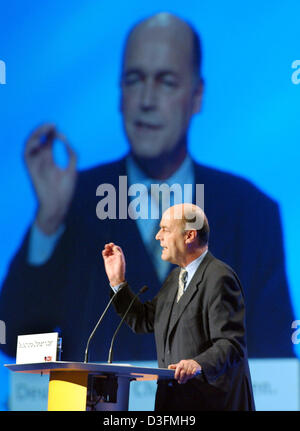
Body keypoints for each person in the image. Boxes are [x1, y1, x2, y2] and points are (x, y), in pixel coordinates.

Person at [0, 12, 294, 362]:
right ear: (120, 94)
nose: (146, 100)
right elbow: (15, 340)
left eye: (166, 81)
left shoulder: (252, 213)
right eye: (134, 80)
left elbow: (275, 364)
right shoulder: (73, 199)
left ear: (197, 96)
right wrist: (48, 222)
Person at [102, 204, 255, 411]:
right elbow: (144, 320)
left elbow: (231, 343)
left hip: (212, 403)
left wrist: (198, 364)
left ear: (189, 235)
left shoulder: (219, 277)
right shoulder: (175, 278)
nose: (158, 236)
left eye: (165, 229)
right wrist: (117, 281)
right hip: (175, 403)